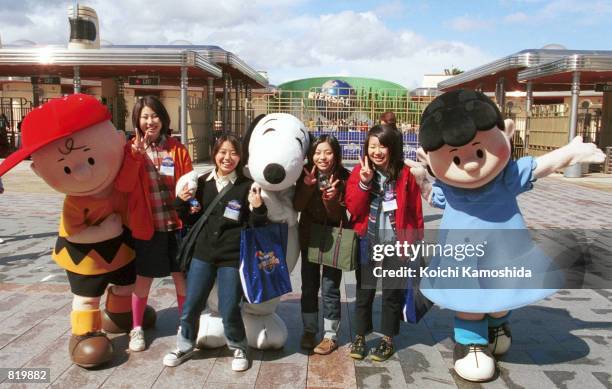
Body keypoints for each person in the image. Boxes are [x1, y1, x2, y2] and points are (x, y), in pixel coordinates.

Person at [163, 134, 267, 371]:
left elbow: (257, 224)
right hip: (203, 253)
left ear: (240, 157)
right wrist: (181, 201)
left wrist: (259, 208)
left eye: (233, 153)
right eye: (222, 152)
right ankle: (185, 344)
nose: (227, 158)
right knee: (192, 303)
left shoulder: (246, 186)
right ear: (214, 154)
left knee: (229, 305)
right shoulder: (202, 183)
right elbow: (191, 217)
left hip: (231, 256)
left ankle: (239, 346)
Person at [345, 124, 423, 361]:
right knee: (364, 291)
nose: (377, 152)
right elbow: (354, 209)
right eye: (372, 146)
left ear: (392, 148)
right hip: (367, 241)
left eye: (382, 146)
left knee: (391, 293)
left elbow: (415, 211)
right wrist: (364, 182)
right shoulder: (360, 170)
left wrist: (414, 243)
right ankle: (360, 336)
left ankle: (388, 338)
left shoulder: (405, 174)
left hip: (395, 243)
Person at [128, 95, 193, 352]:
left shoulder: (177, 149)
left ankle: (185, 325)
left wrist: (189, 197)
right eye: (144, 116)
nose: (150, 121)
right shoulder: (131, 149)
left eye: (154, 115)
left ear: (163, 119)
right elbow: (123, 184)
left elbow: (189, 183)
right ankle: (136, 328)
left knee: (181, 277)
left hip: (176, 225)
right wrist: (135, 155)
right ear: (137, 121)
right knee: (143, 278)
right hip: (148, 226)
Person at [293, 134, 349, 355]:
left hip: (333, 237)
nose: (322, 157)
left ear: (335, 154)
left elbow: (338, 215)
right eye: (317, 152)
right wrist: (307, 187)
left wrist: (332, 198)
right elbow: (297, 205)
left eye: (327, 152)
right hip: (309, 236)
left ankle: (330, 335)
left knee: (330, 287)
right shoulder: (304, 174)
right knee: (308, 286)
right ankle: (309, 329)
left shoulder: (345, 177)